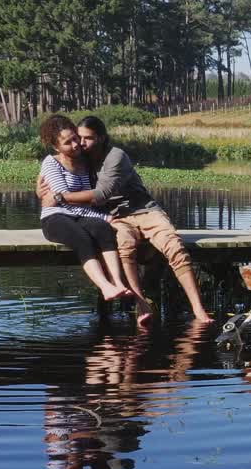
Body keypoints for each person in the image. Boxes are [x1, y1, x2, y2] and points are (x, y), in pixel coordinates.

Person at [37, 116, 213, 326]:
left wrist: (59, 197)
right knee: (125, 246)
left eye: (87, 139)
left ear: (102, 138)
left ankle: (198, 308)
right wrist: (40, 191)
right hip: (117, 216)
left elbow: (101, 194)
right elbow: (53, 172)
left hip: (144, 211)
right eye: (77, 138)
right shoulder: (79, 157)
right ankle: (141, 305)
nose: (80, 144)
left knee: (174, 246)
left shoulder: (115, 156)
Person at [36, 114, 133, 302]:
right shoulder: (51, 163)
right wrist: (104, 216)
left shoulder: (85, 162)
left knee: (103, 230)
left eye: (75, 138)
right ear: (56, 147)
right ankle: (105, 287)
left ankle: (118, 283)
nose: (75, 145)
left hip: (80, 214)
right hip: (55, 217)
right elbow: (65, 202)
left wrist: (103, 220)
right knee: (82, 238)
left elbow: (84, 200)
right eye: (67, 143)